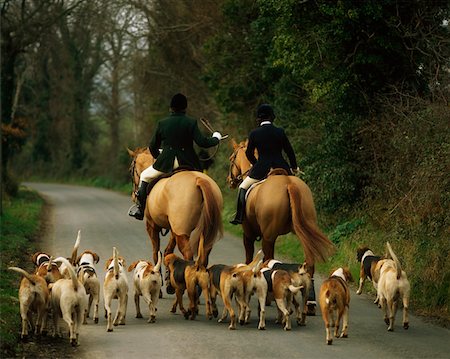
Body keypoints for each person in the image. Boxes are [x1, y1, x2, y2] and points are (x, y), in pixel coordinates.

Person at [129, 93, 222, 220]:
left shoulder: (162, 123)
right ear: (185, 107)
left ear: (171, 108)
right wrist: (216, 138)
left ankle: (140, 209)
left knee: (144, 176)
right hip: (189, 163)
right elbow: (203, 143)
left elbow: (152, 147)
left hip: (166, 162)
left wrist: (160, 157)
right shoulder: (191, 122)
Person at [230, 104, 299, 225]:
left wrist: (256, 164)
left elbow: (249, 153)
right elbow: (290, 151)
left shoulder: (254, 133)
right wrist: (294, 167)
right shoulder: (280, 132)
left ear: (258, 119)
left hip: (261, 169)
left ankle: (239, 217)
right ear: (272, 117)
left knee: (242, 187)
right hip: (282, 167)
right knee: (298, 187)